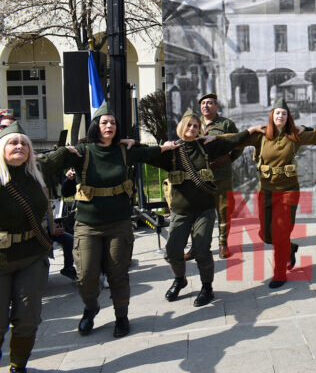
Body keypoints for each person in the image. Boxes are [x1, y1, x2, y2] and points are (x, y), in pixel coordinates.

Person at [40, 102, 177, 338]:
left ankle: (121, 317)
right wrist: (64, 152)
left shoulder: (124, 151)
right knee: (85, 275)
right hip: (87, 225)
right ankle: (90, 309)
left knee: (118, 273)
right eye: (104, 122)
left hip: (119, 224)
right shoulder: (81, 152)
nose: (109, 126)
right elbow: (48, 168)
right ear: (96, 126)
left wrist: (165, 146)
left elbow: (151, 152)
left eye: (113, 122)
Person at [147, 109, 259, 306]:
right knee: (172, 252)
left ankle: (207, 287)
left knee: (202, 251)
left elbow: (233, 141)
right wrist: (137, 145)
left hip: (204, 210)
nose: (192, 129)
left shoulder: (206, 147)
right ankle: (180, 280)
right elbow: (144, 155)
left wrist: (250, 130)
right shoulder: (171, 151)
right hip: (181, 211)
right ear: (182, 127)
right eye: (189, 125)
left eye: (196, 126)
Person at [243, 99, 316, 288]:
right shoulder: (261, 136)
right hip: (265, 191)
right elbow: (235, 141)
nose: (280, 116)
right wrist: (218, 138)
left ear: (289, 118)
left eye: (284, 114)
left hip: (288, 192)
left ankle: (280, 274)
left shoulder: (296, 136)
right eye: (277, 113)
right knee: (266, 235)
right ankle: (290, 248)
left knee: (280, 234)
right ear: (272, 115)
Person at [0, 122, 55, 372]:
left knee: (28, 318)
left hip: (32, 256)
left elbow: (65, 154)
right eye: (13, 142)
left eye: (24, 143)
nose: (19, 146)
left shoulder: (36, 173)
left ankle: (17, 366)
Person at [198, 93, 241, 259]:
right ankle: (200, 245)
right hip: (201, 175)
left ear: (216, 107)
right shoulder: (194, 124)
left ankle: (223, 243)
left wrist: (229, 159)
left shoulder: (226, 124)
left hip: (221, 173)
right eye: (203, 103)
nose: (206, 106)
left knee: (224, 209)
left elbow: (239, 143)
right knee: (200, 211)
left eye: (209, 103)